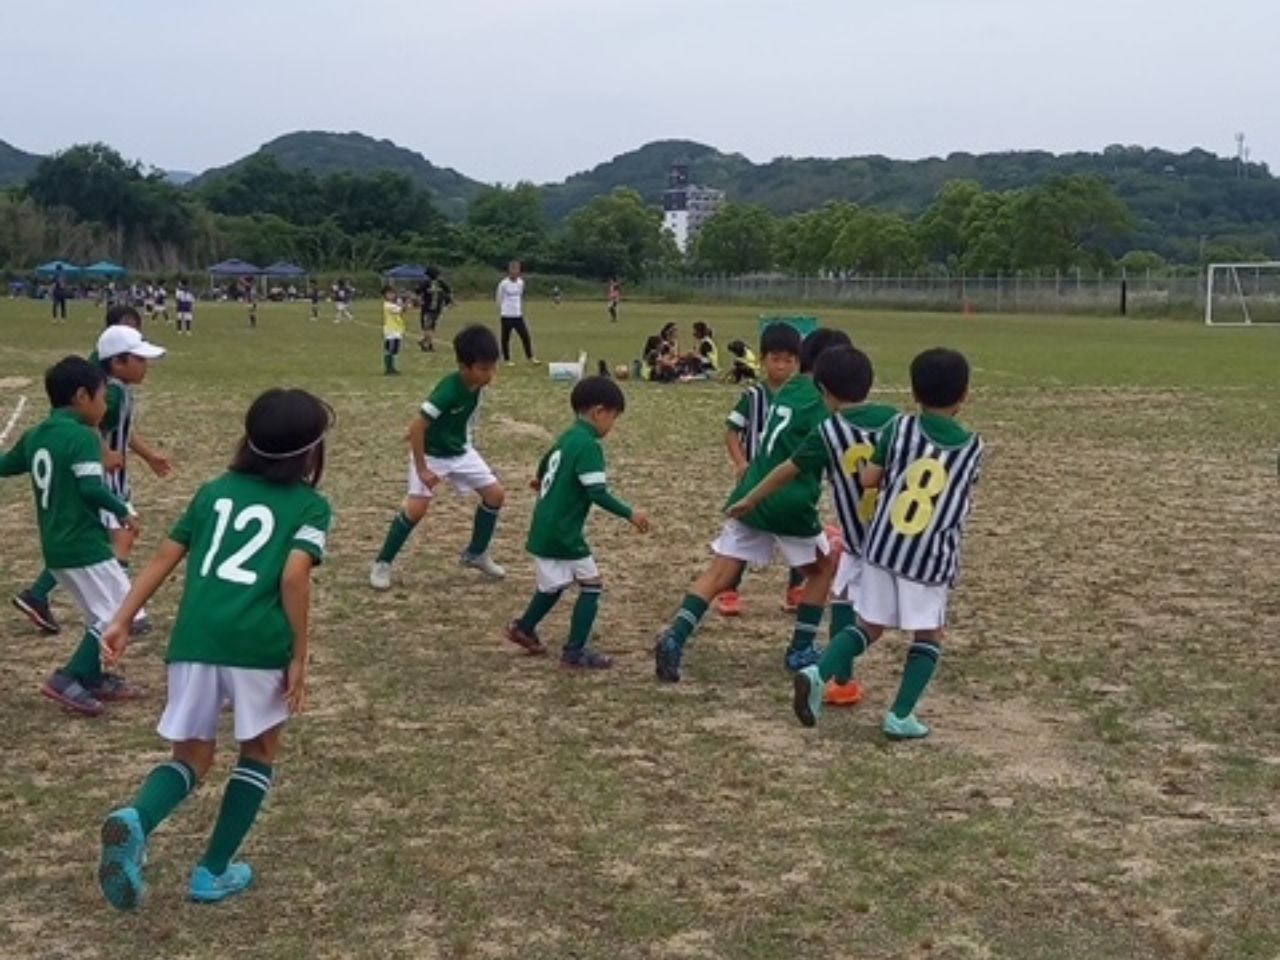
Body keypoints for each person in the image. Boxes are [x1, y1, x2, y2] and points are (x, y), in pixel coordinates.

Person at [95, 388, 333, 909]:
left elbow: (164, 556)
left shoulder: (212, 492)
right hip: (257, 644)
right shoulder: (311, 506)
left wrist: (121, 619)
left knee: (192, 755)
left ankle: (137, 818)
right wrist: (299, 654)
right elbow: (295, 575)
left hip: (194, 640)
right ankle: (213, 872)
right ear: (309, 452)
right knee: (260, 751)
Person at [789, 348, 984, 740]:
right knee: (929, 634)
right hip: (929, 558)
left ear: (914, 393)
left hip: (882, 549)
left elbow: (869, 479)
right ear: (964, 395)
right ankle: (900, 715)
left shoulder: (899, 428)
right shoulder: (972, 446)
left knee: (868, 626)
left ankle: (818, 672)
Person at [653, 328, 852, 683]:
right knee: (822, 570)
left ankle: (675, 636)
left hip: (752, 492)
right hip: (789, 500)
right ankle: (801, 648)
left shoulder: (789, 387)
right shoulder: (823, 402)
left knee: (720, 573)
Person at [727, 345, 898, 708]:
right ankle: (868, 690)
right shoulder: (895, 421)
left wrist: (751, 498)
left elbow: (787, 469)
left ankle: (840, 680)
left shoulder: (828, 430)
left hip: (856, 537)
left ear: (823, 390)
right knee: (910, 626)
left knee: (844, 600)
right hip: (894, 535)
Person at [0, 356, 143, 716]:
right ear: (81, 396)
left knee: (103, 614)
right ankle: (69, 677)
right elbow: (91, 488)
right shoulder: (81, 437)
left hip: (56, 546)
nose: (105, 405)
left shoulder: (37, 435)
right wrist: (123, 511)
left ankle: (92, 676)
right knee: (122, 613)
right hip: (83, 544)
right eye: (102, 397)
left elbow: (5, 466)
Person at [14, 312, 169, 635]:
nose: (146, 366)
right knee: (113, 537)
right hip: (101, 477)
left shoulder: (117, 390)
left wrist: (149, 455)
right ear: (118, 363)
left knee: (108, 539)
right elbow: (87, 425)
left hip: (110, 476)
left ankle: (50, 596)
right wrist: (103, 453)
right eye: (140, 359)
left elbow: (122, 430)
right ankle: (122, 609)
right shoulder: (110, 393)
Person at [505, 376, 649, 669]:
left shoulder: (568, 437)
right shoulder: (589, 446)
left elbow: (546, 463)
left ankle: (524, 627)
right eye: (614, 417)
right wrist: (630, 513)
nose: (613, 425)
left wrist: (540, 480)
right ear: (599, 412)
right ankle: (575, 651)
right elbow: (596, 492)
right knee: (591, 585)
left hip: (545, 524)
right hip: (564, 531)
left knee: (553, 585)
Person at [370, 325, 507, 589]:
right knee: (416, 509)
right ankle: (382, 563)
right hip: (431, 455)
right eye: (483, 368)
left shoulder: (476, 384)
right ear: (463, 366)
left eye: (493, 367)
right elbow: (416, 428)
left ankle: (476, 553)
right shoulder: (448, 390)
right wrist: (422, 469)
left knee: (495, 495)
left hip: (460, 451)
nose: (490, 374)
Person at [714, 323, 805, 618]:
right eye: (776, 359)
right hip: (756, 478)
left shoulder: (803, 397)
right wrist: (741, 463)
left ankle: (797, 589)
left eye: (789, 360)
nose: (782, 366)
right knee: (743, 533)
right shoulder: (754, 396)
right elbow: (732, 431)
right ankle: (728, 589)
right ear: (763, 360)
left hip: (789, 479)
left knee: (798, 534)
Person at [496, 260, 537, 365]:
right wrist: (503, 310)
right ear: (509, 270)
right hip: (506, 315)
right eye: (513, 269)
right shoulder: (503, 284)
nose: (515, 272)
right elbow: (499, 298)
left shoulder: (521, 283)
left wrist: (520, 309)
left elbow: (520, 297)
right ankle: (507, 359)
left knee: (525, 336)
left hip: (518, 315)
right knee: (505, 338)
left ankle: (530, 357)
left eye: (517, 269)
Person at [418, 267, 453, 353]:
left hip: (427, 308)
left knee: (427, 327)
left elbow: (417, 292)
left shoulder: (425, 283)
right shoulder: (441, 283)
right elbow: (449, 292)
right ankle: (428, 344)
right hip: (437, 308)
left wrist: (420, 300)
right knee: (432, 327)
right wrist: (449, 301)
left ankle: (426, 343)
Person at [382, 285, 405, 375]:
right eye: (389, 294)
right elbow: (401, 310)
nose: (391, 295)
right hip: (390, 330)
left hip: (397, 329)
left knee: (395, 349)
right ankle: (389, 368)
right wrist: (405, 303)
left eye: (393, 293)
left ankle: (393, 367)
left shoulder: (394, 304)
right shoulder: (387, 305)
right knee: (390, 349)